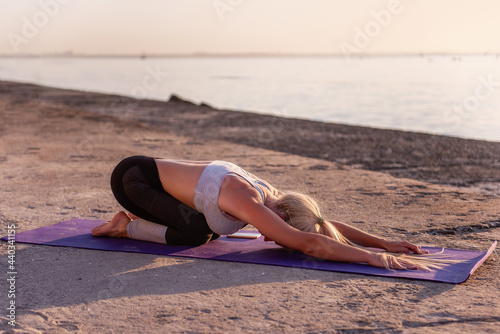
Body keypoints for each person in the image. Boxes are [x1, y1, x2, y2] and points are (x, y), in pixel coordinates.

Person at [92, 156, 448, 270]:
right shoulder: (248, 199)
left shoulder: (276, 198)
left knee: (208, 228)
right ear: (282, 218)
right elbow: (311, 243)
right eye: (282, 236)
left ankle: (135, 224)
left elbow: (321, 226)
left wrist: (384, 242)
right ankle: (125, 227)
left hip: (151, 179)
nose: (274, 239)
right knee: (198, 234)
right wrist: (374, 259)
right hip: (135, 181)